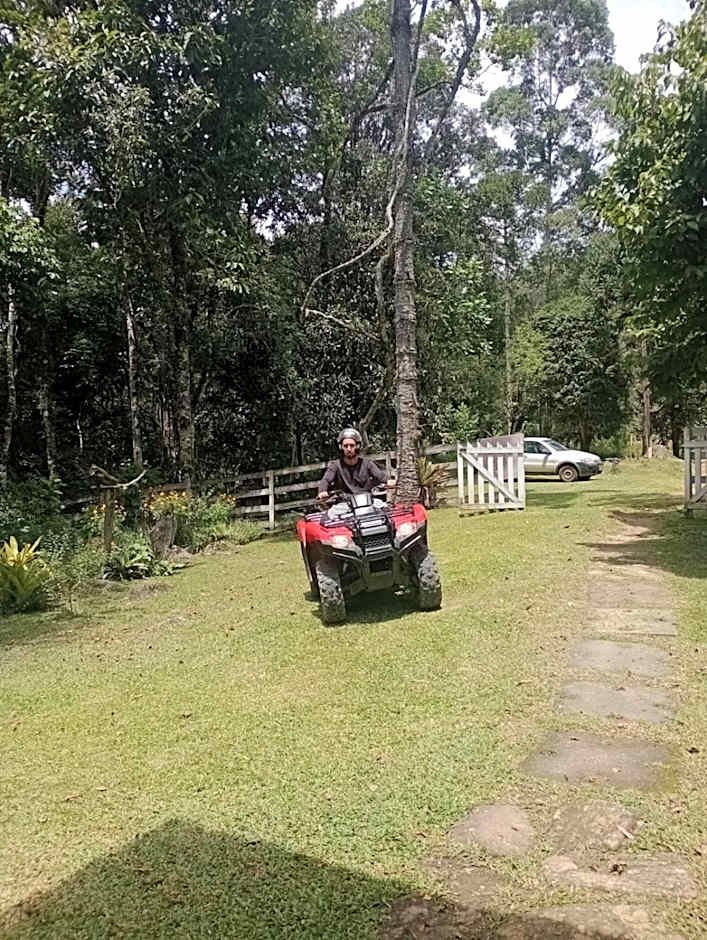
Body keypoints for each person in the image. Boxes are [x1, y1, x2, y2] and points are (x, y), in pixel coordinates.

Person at [316, 428, 395, 500]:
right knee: (331, 515)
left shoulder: (367, 463)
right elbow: (326, 480)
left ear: (357, 446)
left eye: (352, 445)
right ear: (341, 447)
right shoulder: (335, 465)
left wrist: (390, 482)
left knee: (383, 509)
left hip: (367, 501)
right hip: (344, 503)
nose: (349, 449)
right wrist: (322, 491)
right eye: (346, 446)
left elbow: (380, 476)